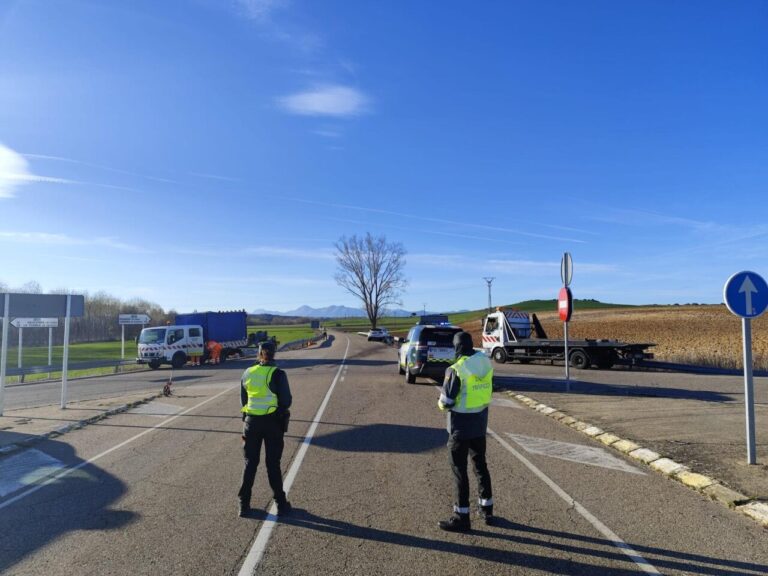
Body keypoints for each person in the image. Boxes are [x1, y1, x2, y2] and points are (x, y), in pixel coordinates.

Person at [437, 331, 494, 532]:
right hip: (480, 425)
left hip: (460, 428)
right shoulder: (485, 362)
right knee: (480, 466)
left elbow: (446, 402)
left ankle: (461, 516)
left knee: (459, 471)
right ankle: (487, 509)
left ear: (458, 347)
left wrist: (441, 404)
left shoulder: (456, 369)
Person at [238, 340, 293, 518]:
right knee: (272, 465)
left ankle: (243, 504)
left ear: (259, 353)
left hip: (251, 423)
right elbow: (286, 401)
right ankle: (280, 504)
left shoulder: (247, 373)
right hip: (272, 424)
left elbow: (244, 401)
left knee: (250, 464)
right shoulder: (278, 374)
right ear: (274, 354)